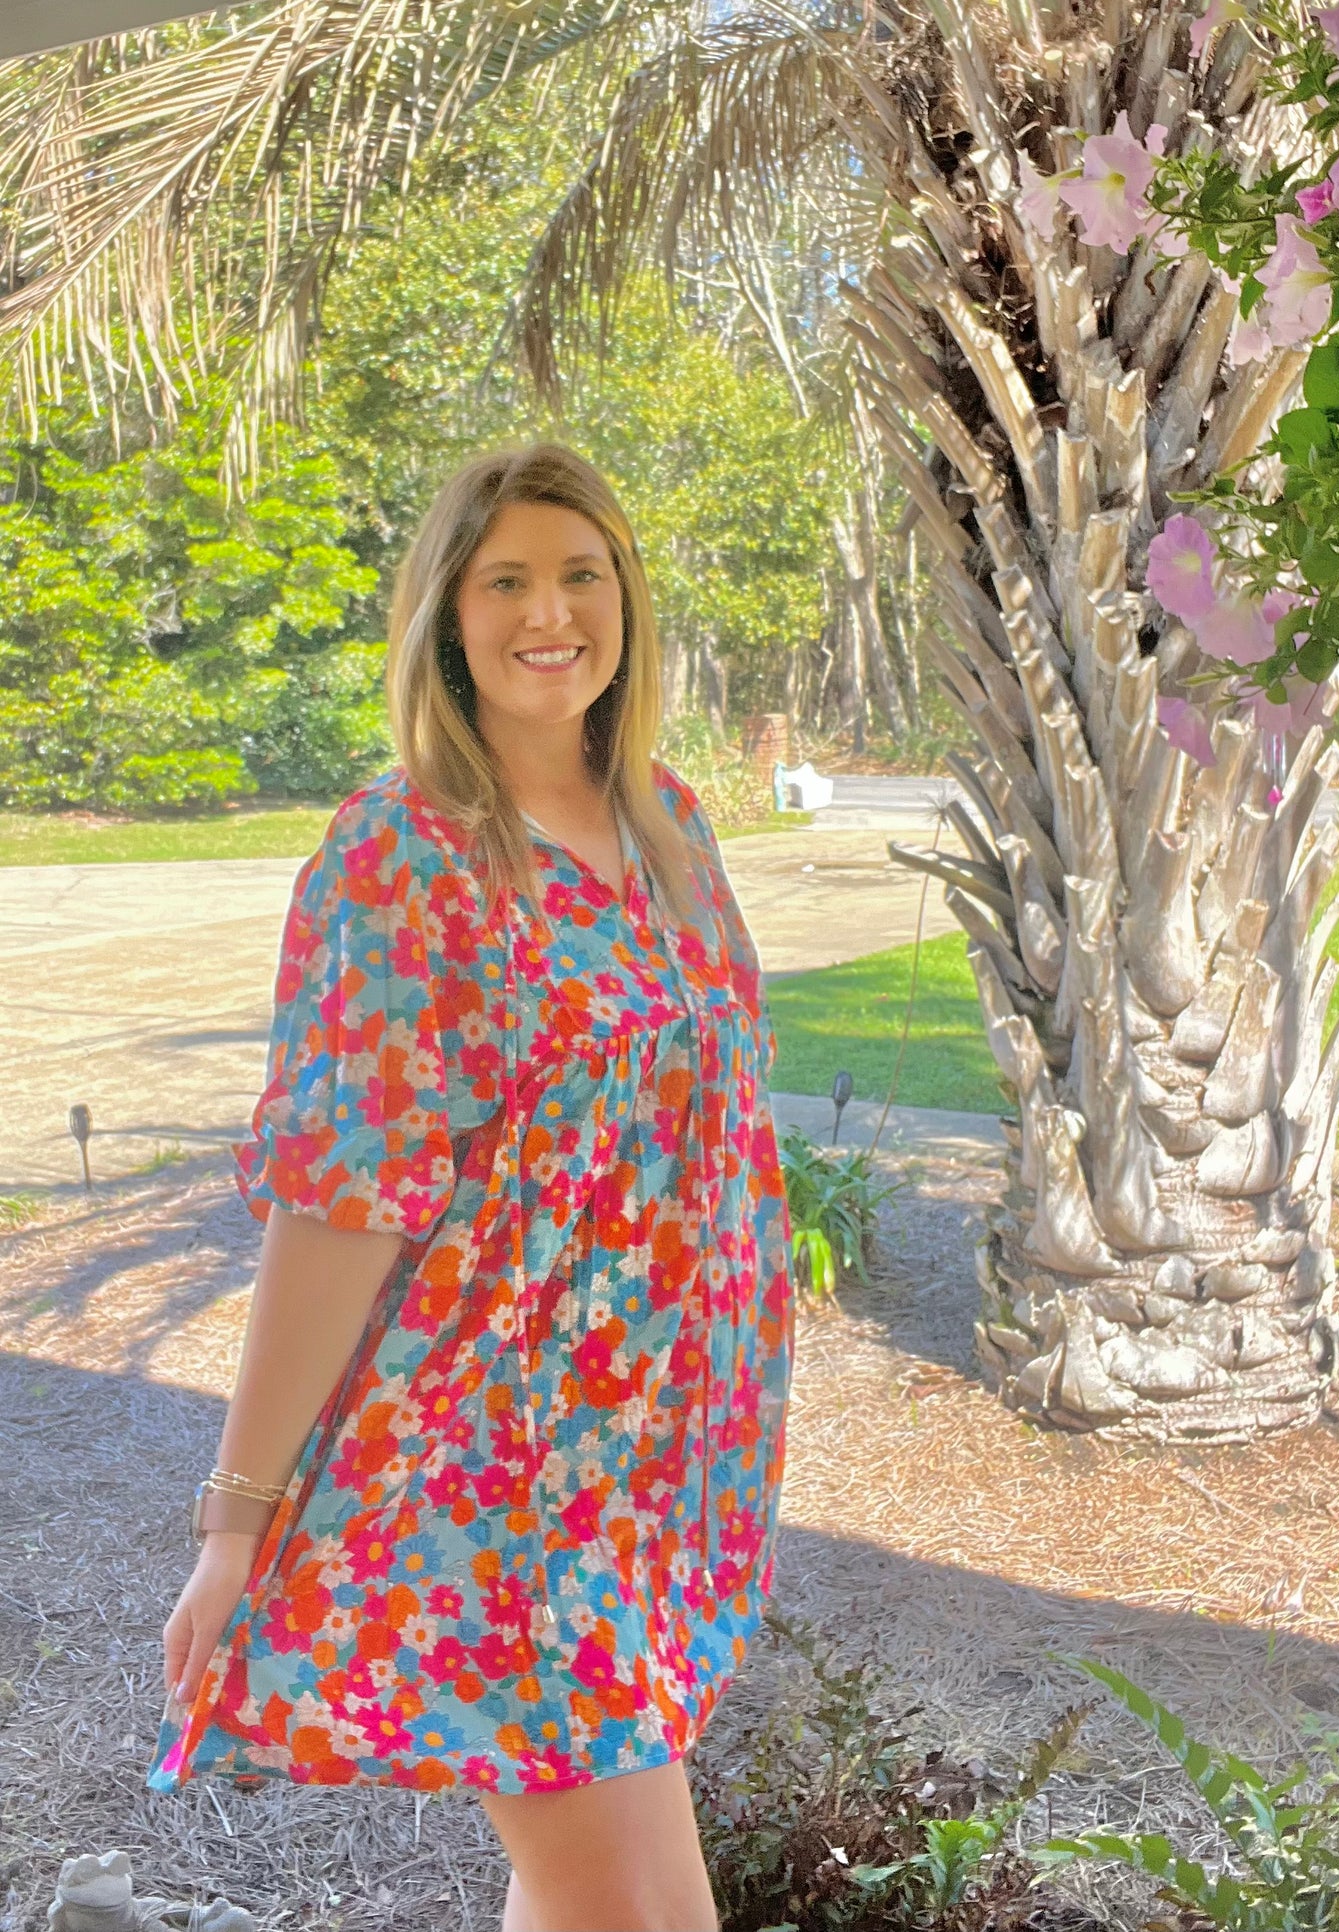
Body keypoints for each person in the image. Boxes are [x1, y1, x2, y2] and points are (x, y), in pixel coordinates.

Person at [146, 443, 796, 1931]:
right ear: (446, 615)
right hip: (498, 1470)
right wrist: (236, 1524)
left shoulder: (670, 827)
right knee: (628, 1905)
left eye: (581, 573)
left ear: (625, 603)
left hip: (647, 1472)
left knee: (600, 1894)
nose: (546, 612)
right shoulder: (404, 855)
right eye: (505, 579)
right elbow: (337, 1203)